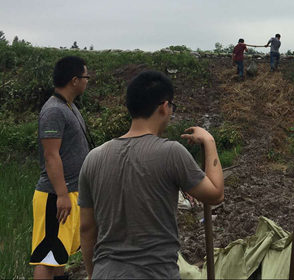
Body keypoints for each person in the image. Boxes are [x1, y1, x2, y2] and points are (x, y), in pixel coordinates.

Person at [78, 71, 224, 279]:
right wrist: (209, 141)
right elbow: (215, 194)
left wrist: (95, 275)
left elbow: (86, 229)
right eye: (172, 107)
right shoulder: (171, 153)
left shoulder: (93, 158)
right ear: (164, 107)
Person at [30, 56, 93, 280]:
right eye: (86, 76)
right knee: (47, 256)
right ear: (75, 80)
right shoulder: (54, 111)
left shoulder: (69, 107)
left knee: (59, 254)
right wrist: (62, 194)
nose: (87, 81)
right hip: (54, 195)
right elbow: (51, 155)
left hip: (70, 192)